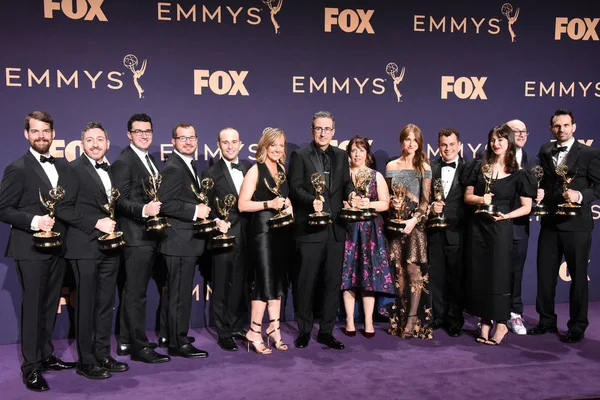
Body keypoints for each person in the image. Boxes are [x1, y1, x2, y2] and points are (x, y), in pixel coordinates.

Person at [0, 111, 76, 391]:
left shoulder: (63, 167)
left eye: (46, 131)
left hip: (57, 247)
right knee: (33, 309)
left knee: (48, 305)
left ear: (53, 133)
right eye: (35, 131)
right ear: (26, 134)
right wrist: (34, 221)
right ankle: (30, 368)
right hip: (30, 248)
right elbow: (3, 209)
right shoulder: (17, 168)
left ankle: (45, 356)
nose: (41, 136)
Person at [54, 122, 128, 379]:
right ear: (82, 144)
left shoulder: (112, 170)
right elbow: (62, 208)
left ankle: (103, 354)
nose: (95, 144)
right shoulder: (72, 170)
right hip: (84, 246)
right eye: (89, 140)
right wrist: (96, 223)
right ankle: (86, 362)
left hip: (111, 247)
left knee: (106, 305)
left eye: (100, 139)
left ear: (107, 142)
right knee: (86, 306)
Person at [529, 109, 600, 344]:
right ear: (551, 129)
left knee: (578, 277)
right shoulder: (545, 150)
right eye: (557, 126)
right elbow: (545, 182)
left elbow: (598, 188)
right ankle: (546, 320)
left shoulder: (589, 153)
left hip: (577, 225)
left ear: (574, 127)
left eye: (566, 125)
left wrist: (579, 195)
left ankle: (577, 326)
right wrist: (539, 192)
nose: (562, 130)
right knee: (545, 275)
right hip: (550, 223)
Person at [462, 124, 535, 346]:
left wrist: (506, 216)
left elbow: (527, 207)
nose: (496, 143)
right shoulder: (480, 167)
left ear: (510, 142)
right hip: (479, 229)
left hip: (501, 229)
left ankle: (502, 323)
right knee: (481, 275)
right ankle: (485, 321)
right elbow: (467, 196)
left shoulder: (519, 173)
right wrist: (480, 200)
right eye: (493, 139)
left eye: (501, 139)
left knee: (500, 276)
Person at [288, 111, 355, 350]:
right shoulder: (299, 155)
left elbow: (346, 184)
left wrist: (352, 194)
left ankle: (326, 331)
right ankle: (305, 331)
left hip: (336, 230)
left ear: (334, 132)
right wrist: (310, 201)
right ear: (312, 130)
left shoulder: (341, 155)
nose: (323, 133)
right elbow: (294, 187)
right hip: (309, 230)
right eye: (319, 128)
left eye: (327, 129)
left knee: (331, 283)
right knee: (305, 284)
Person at [111, 113, 170, 363]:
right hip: (136, 237)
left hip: (149, 236)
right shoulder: (125, 161)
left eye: (147, 131)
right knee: (136, 294)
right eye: (138, 131)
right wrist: (144, 210)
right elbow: (119, 200)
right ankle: (139, 346)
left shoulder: (149, 159)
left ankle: (125, 341)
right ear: (129, 134)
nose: (144, 135)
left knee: (132, 292)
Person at [156, 123, 211, 358]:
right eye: (182, 138)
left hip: (183, 241)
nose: (188, 142)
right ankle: (179, 343)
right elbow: (165, 204)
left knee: (175, 293)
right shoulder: (174, 168)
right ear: (173, 141)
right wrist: (195, 212)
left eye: (191, 137)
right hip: (178, 241)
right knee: (179, 294)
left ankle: (170, 334)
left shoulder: (187, 165)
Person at [238, 127, 293, 354]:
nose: (278, 149)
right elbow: (242, 204)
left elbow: (284, 197)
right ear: (264, 146)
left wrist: (289, 207)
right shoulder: (255, 170)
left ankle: (274, 329)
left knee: (278, 282)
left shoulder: (281, 168)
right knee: (264, 281)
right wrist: (268, 205)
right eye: (274, 145)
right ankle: (253, 331)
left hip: (281, 232)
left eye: (281, 145)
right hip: (262, 232)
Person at [201, 127, 252, 351]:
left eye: (234, 142)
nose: (230, 146)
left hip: (247, 236)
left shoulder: (250, 168)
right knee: (221, 286)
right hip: (223, 237)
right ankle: (224, 332)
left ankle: (239, 325)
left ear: (240, 143)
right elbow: (205, 207)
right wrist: (215, 222)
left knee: (241, 284)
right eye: (225, 142)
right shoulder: (210, 174)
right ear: (219, 145)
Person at [340, 136, 393, 338]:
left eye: (361, 150)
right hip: (348, 231)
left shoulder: (375, 176)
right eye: (353, 150)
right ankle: (349, 320)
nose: (357, 154)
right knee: (348, 277)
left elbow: (385, 203)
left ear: (367, 154)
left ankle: (369, 321)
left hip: (371, 232)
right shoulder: (342, 176)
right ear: (349, 154)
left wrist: (367, 204)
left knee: (368, 277)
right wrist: (345, 204)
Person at [385, 124, 433, 340]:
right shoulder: (391, 166)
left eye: (415, 140)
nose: (411, 143)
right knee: (398, 273)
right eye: (407, 139)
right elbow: (387, 199)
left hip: (415, 227)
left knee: (413, 271)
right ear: (401, 141)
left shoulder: (424, 166)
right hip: (395, 226)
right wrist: (392, 207)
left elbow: (425, 201)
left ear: (419, 143)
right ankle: (399, 318)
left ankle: (413, 319)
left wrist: (414, 220)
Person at [427, 128, 468, 337]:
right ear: (438, 146)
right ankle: (439, 316)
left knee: (455, 279)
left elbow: (470, 200)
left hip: (458, 232)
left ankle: (454, 319)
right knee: (437, 277)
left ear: (459, 145)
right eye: (444, 145)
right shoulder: (431, 167)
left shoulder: (469, 168)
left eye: (452, 144)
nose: (448, 149)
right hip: (434, 232)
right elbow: (425, 197)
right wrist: (433, 206)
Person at [505, 119, 534, 336]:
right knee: (495, 271)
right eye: (516, 131)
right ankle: (492, 314)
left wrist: (540, 196)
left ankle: (515, 313)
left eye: (524, 131)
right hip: (496, 225)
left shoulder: (533, 161)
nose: (521, 135)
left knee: (516, 272)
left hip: (520, 226)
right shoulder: (490, 160)